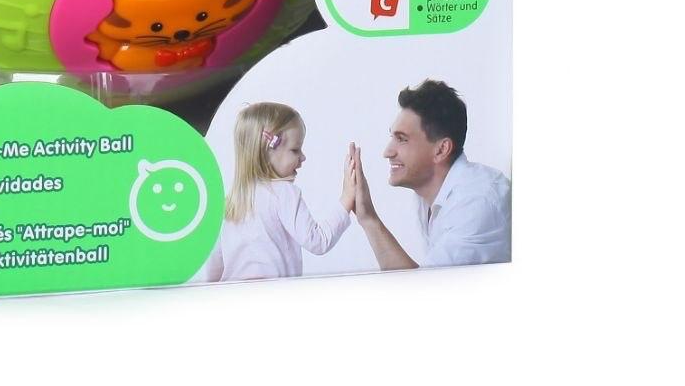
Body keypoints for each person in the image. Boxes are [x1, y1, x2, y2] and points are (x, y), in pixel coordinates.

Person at [350, 79, 510, 269]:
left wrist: (369, 220)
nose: (387, 152)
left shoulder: (476, 203)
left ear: (441, 150)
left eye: (402, 139)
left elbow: (426, 286)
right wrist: (367, 217)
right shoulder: (428, 196)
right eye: (392, 137)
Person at [204, 101, 354, 281]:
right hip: (274, 295)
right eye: (295, 150)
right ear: (266, 152)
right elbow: (318, 242)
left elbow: (215, 264)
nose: (303, 157)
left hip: (233, 294)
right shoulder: (283, 193)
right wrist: (346, 199)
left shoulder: (233, 199)